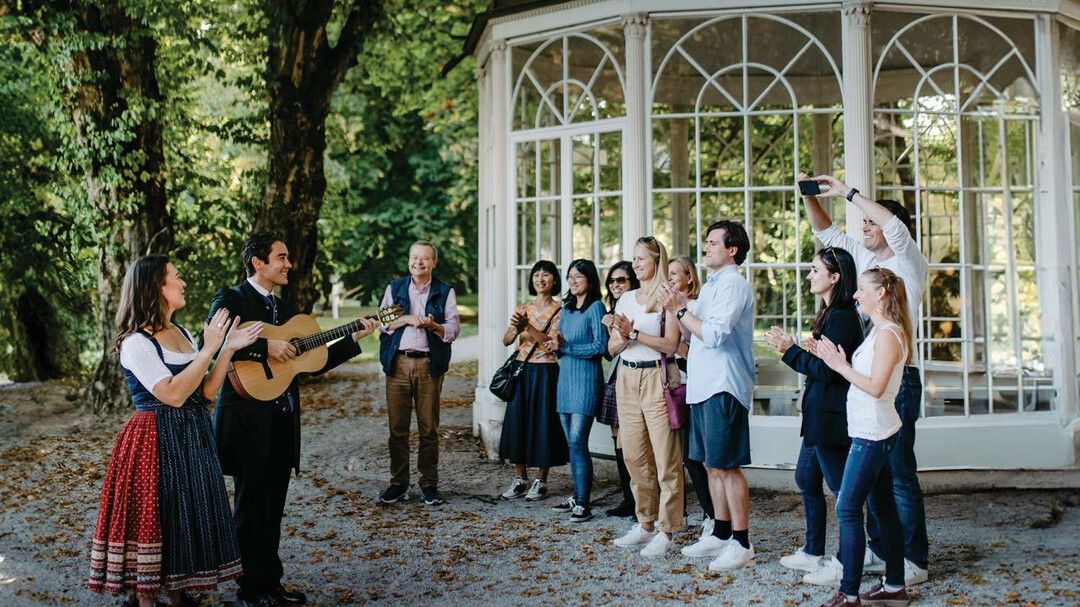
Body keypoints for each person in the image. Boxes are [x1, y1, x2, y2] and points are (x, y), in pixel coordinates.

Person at [209, 233, 380, 607]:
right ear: (258, 262)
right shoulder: (231, 298)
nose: (289, 264)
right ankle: (249, 591)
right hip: (247, 421)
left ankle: (270, 585)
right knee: (250, 510)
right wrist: (263, 346)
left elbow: (312, 363)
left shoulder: (288, 311)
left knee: (272, 510)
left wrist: (354, 339)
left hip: (282, 424)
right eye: (282, 257)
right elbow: (216, 340)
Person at [90, 255, 262, 606]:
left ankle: (178, 594)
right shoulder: (135, 342)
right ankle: (145, 600)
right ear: (156, 287)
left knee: (186, 511)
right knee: (158, 515)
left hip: (193, 433)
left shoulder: (182, 333)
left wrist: (226, 347)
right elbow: (172, 392)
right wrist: (211, 346)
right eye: (176, 277)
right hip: (154, 438)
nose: (182, 283)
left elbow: (206, 392)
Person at [801, 173, 930, 586]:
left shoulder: (906, 261)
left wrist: (848, 193)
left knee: (899, 473)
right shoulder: (865, 260)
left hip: (898, 378)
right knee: (873, 477)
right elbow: (825, 230)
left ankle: (914, 561)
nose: (865, 226)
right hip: (865, 377)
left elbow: (892, 226)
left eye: (872, 221)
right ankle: (879, 550)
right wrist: (808, 194)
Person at [660, 221, 756, 571]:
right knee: (709, 464)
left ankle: (742, 543)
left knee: (726, 466)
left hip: (723, 385)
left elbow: (714, 335)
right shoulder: (714, 285)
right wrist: (677, 307)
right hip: (702, 385)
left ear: (732, 250)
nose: (706, 246)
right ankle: (720, 531)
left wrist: (682, 309)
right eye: (707, 241)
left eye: (714, 242)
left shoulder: (733, 285)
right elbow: (688, 330)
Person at [814, 268, 913, 607]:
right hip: (872, 430)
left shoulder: (888, 334)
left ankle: (850, 593)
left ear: (881, 293)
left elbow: (875, 387)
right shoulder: (878, 331)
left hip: (873, 433)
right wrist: (839, 361)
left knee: (847, 507)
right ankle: (895, 587)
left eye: (861, 290)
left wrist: (839, 366)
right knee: (883, 509)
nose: (856, 295)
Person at [764, 248, 863, 578]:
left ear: (834, 277)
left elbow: (829, 372)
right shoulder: (831, 314)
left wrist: (789, 351)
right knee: (806, 478)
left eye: (814, 270)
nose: (809, 275)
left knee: (842, 495)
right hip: (818, 414)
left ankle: (845, 562)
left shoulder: (843, 316)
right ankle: (812, 551)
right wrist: (799, 349)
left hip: (832, 418)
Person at [608, 236, 684, 558]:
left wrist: (635, 333)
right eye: (634, 259)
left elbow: (671, 346)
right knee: (634, 457)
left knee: (665, 457)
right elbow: (611, 348)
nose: (635, 264)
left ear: (656, 260)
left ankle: (668, 531)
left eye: (641, 259)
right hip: (626, 375)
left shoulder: (669, 296)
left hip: (656, 376)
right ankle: (646, 524)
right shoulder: (625, 299)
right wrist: (622, 337)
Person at [377, 240, 461, 506]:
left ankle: (429, 484)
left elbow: (453, 330)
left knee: (428, 429)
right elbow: (381, 323)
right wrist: (406, 319)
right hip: (398, 363)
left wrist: (433, 325)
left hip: (428, 365)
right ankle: (398, 483)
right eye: (414, 257)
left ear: (434, 262)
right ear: (409, 260)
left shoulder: (444, 291)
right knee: (397, 429)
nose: (418, 263)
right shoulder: (396, 288)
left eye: (424, 259)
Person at [498, 260, 567, 501]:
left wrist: (529, 328)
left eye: (545, 275)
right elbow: (507, 341)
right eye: (536, 275)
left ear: (554, 280)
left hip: (546, 371)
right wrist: (516, 330)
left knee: (543, 423)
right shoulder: (522, 307)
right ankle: (520, 478)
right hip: (521, 369)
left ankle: (541, 480)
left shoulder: (560, 310)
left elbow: (550, 341)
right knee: (518, 421)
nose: (540, 279)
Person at [546, 259, 607, 522]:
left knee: (578, 441)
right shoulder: (566, 309)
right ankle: (577, 494)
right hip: (566, 380)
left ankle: (584, 502)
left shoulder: (596, 307)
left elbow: (601, 347)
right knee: (572, 444)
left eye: (578, 276)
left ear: (589, 279)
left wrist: (567, 348)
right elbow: (561, 347)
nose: (572, 280)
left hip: (587, 382)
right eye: (570, 276)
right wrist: (556, 345)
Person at [667, 256, 714, 528]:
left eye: (676, 273)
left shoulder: (694, 306)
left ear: (689, 278)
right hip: (669, 384)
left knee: (694, 457)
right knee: (677, 455)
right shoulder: (667, 307)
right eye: (669, 273)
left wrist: (673, 344)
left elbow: (687, 347)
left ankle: (711, 513)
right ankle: (677, 512)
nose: (671, 277)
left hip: (689, 385)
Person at [597, 261, 640, 518]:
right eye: (612, 281)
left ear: (632, 282)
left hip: (638, 376)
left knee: (636, 441)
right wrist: (608, 328)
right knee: (618, 441)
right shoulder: (610, 311)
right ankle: (628, 498)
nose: (615, 285)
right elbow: (607, 353)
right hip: (616, 376)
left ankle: (643, 499)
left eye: (621, 280)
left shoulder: (638, 307)